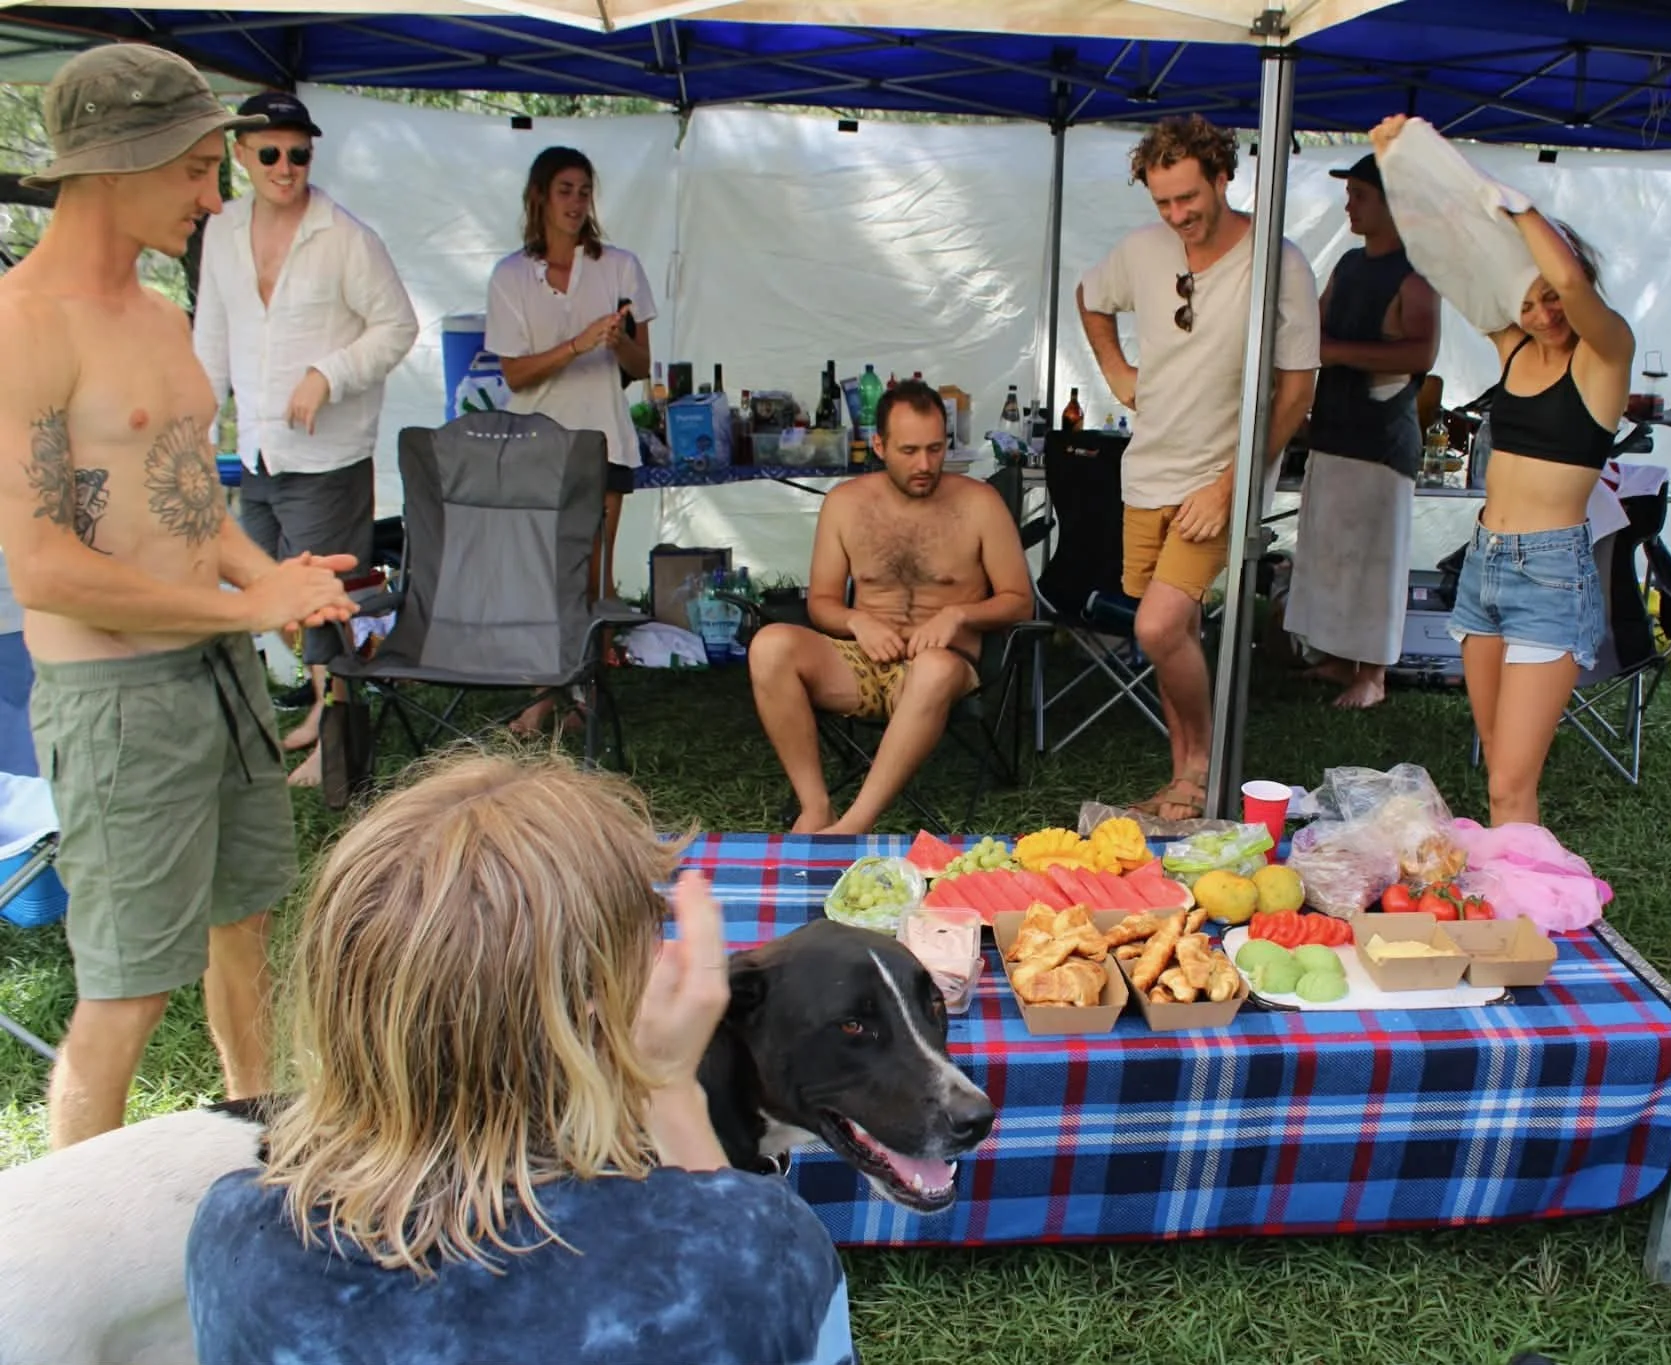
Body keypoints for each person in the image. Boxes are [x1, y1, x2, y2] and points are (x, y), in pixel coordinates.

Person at [185, 753, 855, 1365]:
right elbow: (732, 1263)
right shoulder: (756, 1252)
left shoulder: (233, 1235)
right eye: (645, 938)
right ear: (591, 1003)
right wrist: (672, 1088)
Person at [0, 44, 356, 1149]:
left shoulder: (159, 314)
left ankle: (259, 1150)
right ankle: (70, 1268)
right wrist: (245, 610)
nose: (215, 197)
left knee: (243, 926)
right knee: (125, 994)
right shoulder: (24, 327)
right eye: (200, 169)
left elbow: (192, 505)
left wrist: (277, 583)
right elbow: (46, 567)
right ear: (118, 166)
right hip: (116, 702)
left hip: (220, 678)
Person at [1370, 114, 1632, 827]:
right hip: (1486, 564)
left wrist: (1516, 205)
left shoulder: (1604, 355)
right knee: (1495, 768)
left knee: (1513, 783)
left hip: (1552, 571)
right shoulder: (1512, 347)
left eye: (1550, 298)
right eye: (1528, 300)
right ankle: (1505, 910)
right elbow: (1449, 257)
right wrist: (1405, 164)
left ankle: (1530, 922)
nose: (1543, 311)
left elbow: (1572, 282)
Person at [1077, 113, 1319, 820]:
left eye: (1190, 198)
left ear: (1223, 177)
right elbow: (1090, 300)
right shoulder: (1142, 249)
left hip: (1219, 476)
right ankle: (1185, 775)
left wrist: (1229, 486)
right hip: (1146, 471)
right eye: (1163, 202)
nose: (1178, 215)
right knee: (1169, 633)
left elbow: (1296, 392)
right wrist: (1118, 370)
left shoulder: (1281, 263)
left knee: (1157, 625)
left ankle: (1203, 769)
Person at [194, 90, 418, 789]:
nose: (286, 166)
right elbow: (211, 340)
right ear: (241, 155)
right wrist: (199, 440)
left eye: (299, 153)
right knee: (263, 579)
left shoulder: (345, 235)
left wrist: (328, 372)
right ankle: (318, 710)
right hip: (260, 447)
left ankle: (338, 738)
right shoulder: (222, 231)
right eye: (270, 153)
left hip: (327, 454)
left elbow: (398, 326)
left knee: (322, 595)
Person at [748, 381, 1032, 834]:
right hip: (862, 660)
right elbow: (821, 603)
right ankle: (816, 806)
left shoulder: (980, 504)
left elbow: (1020, 601)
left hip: (944, 665)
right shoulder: (846, 503)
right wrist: (856, 620)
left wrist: (957, 614)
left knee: (935, 668)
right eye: (909, 450)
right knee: (768, 646)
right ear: (878, 445)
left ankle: (854, 824)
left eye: (936, 449)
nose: (924, 464)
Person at [485, 145, 654, 735]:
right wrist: (577, 345)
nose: (577, 202)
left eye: (585, 190)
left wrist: (614, 346)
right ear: (540, 196)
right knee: (540, 573)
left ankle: (585, 693)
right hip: (534, 442)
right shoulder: (510, 275)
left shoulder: (620, 266)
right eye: (565, 190)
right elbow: (514, 374)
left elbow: (642, 365)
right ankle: (541, 695)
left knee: (593, 576)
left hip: (603, 438)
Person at [1286, 152, 1441, 711]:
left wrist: (1334, 353)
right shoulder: (1350, 265)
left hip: (1381, 439)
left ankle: (1372, 674)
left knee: (1375, 559)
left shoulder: (1415, 274)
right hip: (1335, 429)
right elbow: (1316, 328)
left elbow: (1421, 351)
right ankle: (1337, 656)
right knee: (1329, 551)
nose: (1349, 204)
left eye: (1360, 195)